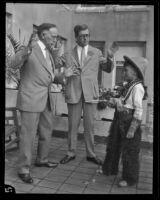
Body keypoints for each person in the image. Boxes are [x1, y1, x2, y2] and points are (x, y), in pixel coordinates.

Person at [16, 23, 69, 184]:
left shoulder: (49, 52)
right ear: (43, 35)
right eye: (53, 36)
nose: (55, 39)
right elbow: (13, 63)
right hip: (31, 99)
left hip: (46, 98)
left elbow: (48, 75)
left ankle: (42, 159)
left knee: (46, 131)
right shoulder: (31, 48)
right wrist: (26, 50)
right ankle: (23, 169)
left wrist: (63, 77)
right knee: (28, 136)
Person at [59, 24, 116, 165]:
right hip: (74, 92)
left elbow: (107, 69)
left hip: (90, 94)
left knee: (90, 126)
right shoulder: (67, 54)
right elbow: (53, 64)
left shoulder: (96, 52)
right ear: (76, 37)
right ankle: (70, 152)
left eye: (87, 35)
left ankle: (91, 154)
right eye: (82, 35)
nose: (85, 38)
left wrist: (110, 58)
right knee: (72, 125)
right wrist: (54, 53)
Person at [102, 55, 148, 187]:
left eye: (125, 70)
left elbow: (138, 110)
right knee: (113, 145)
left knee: (129, 152)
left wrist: (132, 129)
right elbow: (123, 102)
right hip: (119, 120)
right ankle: (109, 169)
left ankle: (129, 178)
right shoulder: (128, 85)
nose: (123, 73)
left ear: (134, 72)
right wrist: (114, 102)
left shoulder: (137, 87)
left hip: (129, 123)